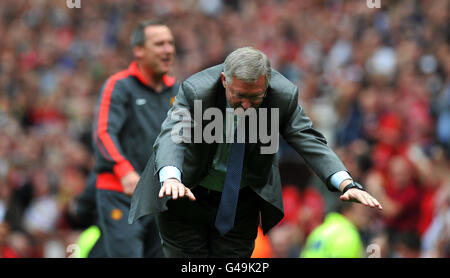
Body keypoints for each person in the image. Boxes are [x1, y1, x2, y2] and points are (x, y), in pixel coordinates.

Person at [129, 47, 382, 258]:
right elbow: (174, 135)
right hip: (186, 194)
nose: (247, 105)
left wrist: (346, 182)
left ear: (267, 84)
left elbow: (307, 139)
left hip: (240, 203)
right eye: (239, 96)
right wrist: (171, 177)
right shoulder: (197, 90)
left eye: (255, 97)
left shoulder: (282, 95)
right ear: (224, 80)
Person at [92, 19, 178, 257]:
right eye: (159, 44)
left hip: (162, 199)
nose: (168, 49)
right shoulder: (119, 86)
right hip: (121, 194)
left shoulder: (179, 93)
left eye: (170, 43)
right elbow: (103, 133)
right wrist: (123, 169)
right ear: (138, 50)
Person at [300, 202, 368, 258]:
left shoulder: (318, 231)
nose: (366, 214)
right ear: (347, 210)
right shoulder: (348, 235)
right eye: (362, 209)